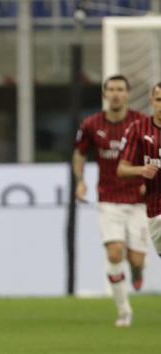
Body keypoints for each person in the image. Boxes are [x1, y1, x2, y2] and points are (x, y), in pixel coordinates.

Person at [73, 75, 148, 328]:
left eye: (120, 89)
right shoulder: (92, 124)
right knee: (115, 253)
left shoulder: (141, 123)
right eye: (111, 89)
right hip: (108, 198)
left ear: (128, 94)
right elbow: (79, 154)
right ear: (105, 94)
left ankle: (137, 271)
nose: (116, 94)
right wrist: (80, 181)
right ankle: (124, 311)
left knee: (136, 259)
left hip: (140, 200)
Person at [118, 82, 161, 258]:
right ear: (152, 101)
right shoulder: (138, 129)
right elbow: (122, 169)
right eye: (159, 99)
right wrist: (141, 170)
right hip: (156, 209)